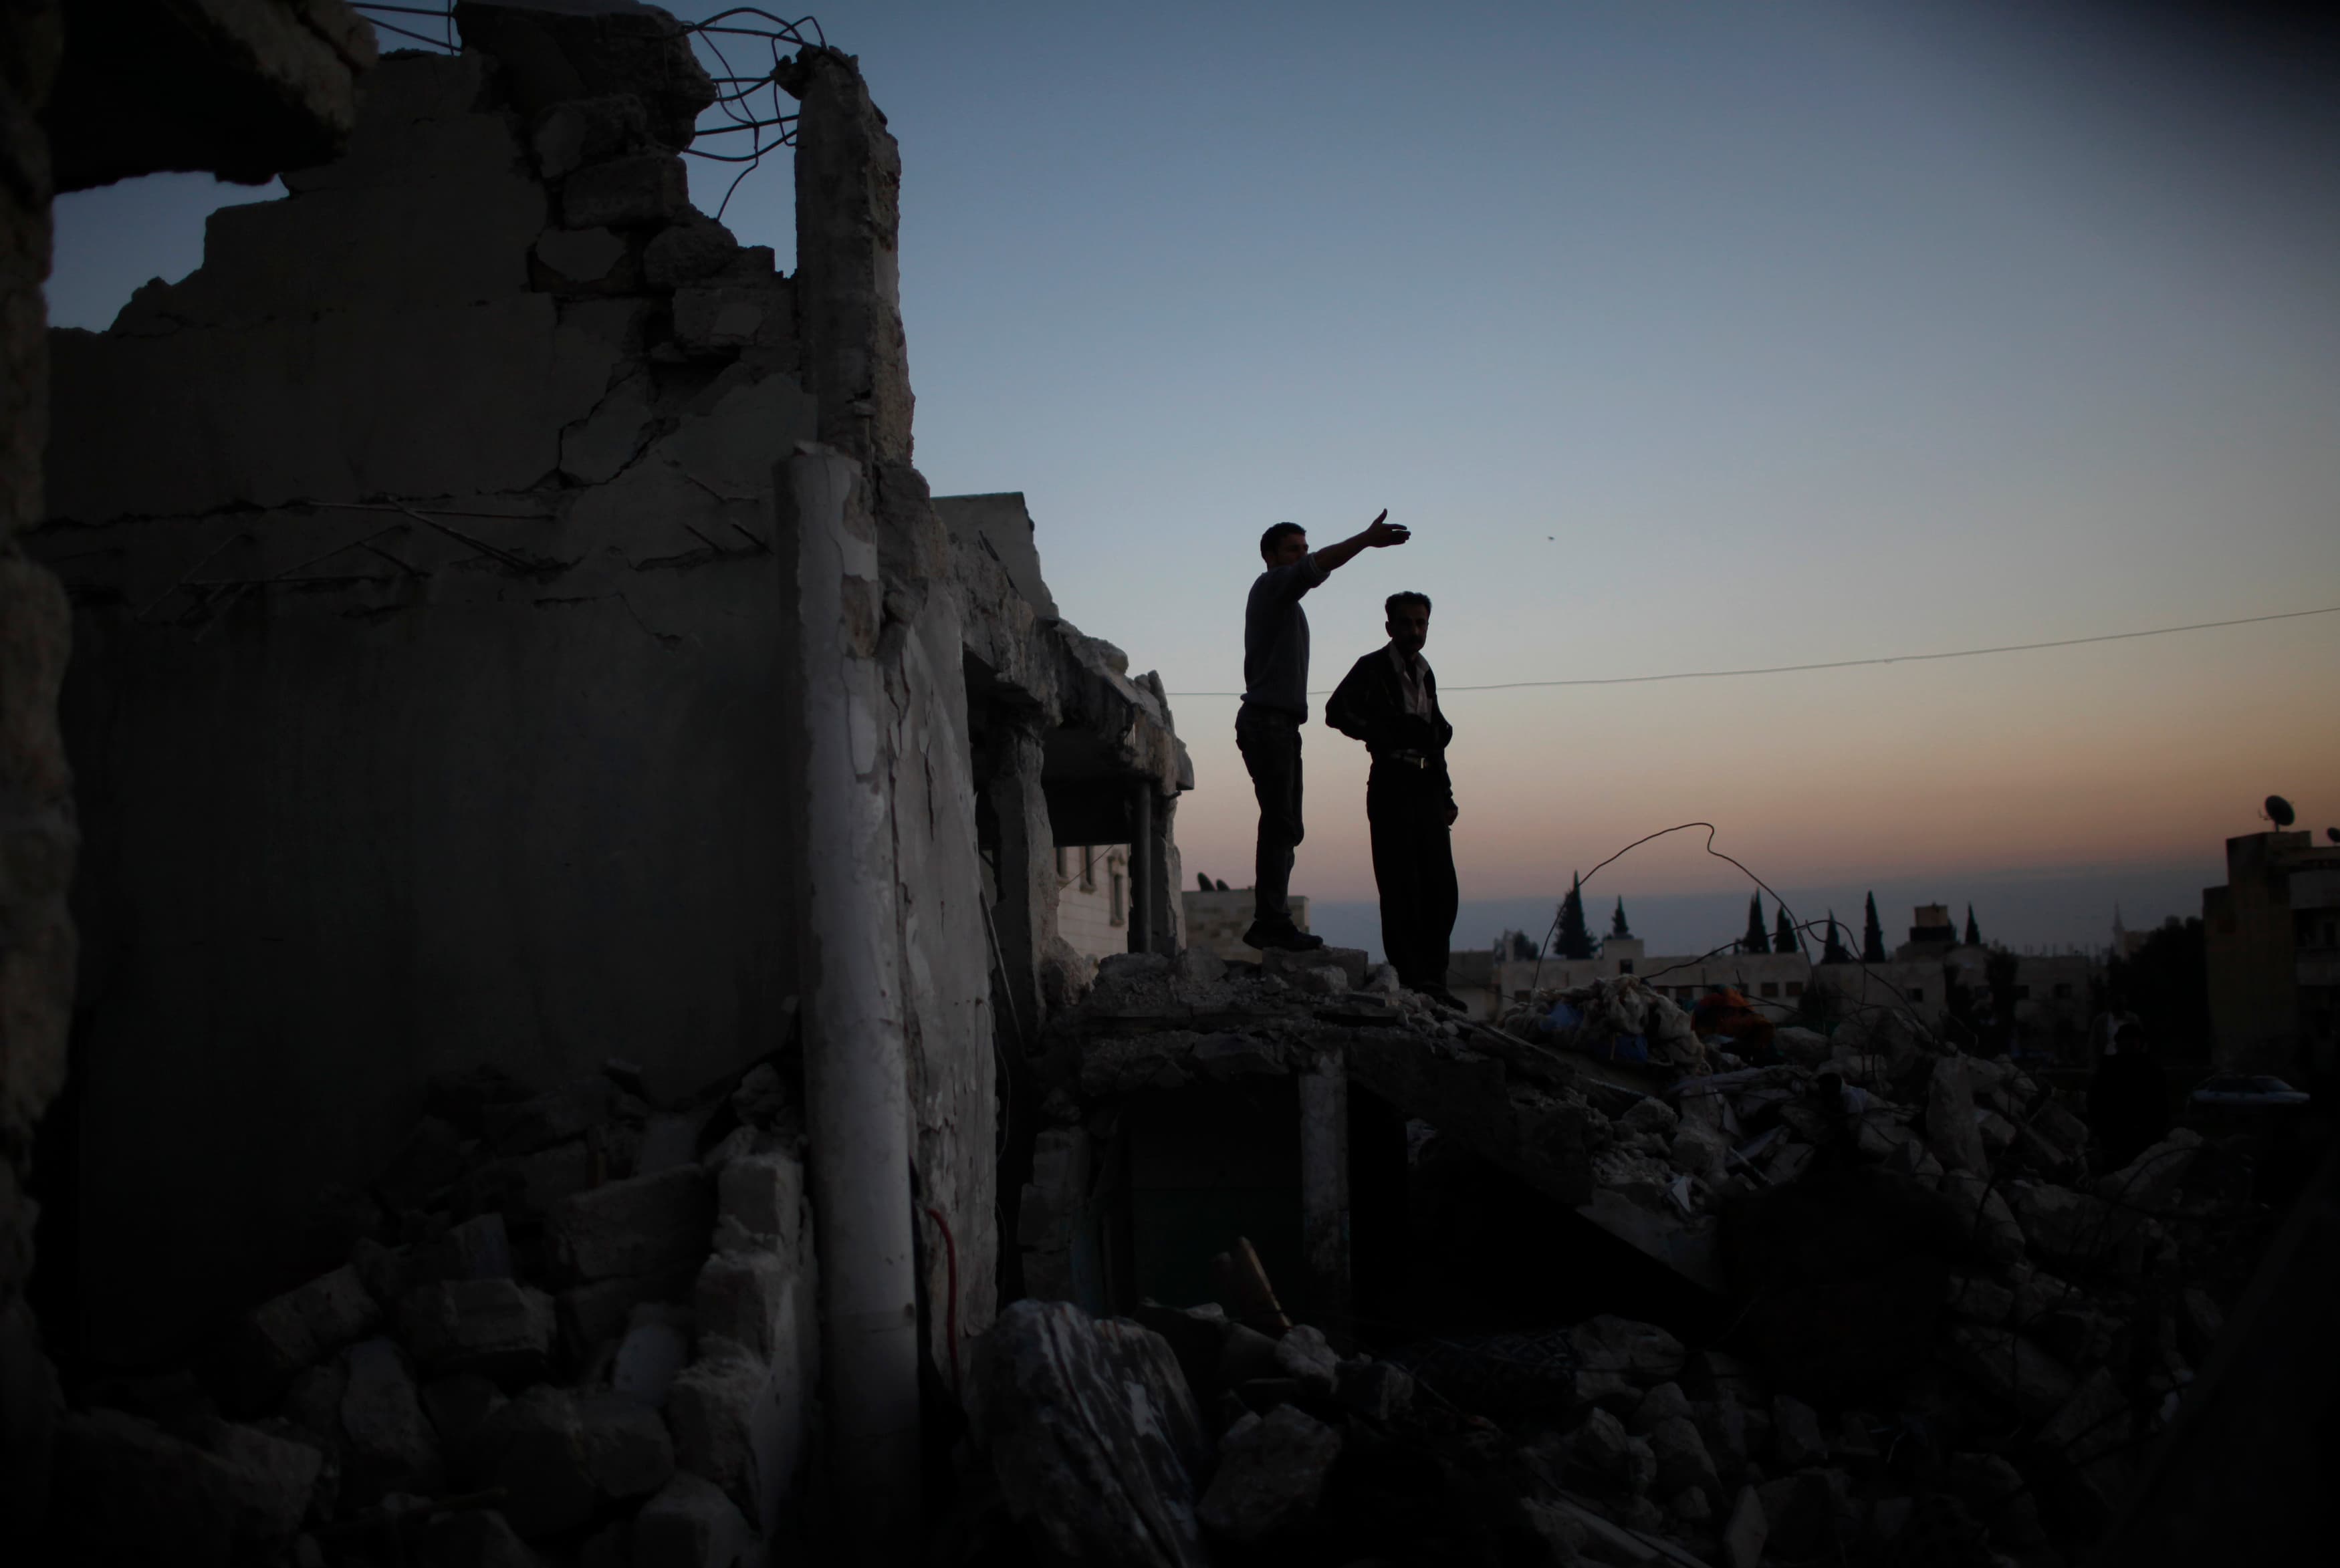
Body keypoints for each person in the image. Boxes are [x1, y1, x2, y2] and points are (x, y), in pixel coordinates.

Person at [1237, 511, 1411, 952]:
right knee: (1281, 824)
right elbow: (1317, 568)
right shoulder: (1272, 588)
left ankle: (1271, 920)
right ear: (1270, 557)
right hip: (1268, 723)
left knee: (1285, 825)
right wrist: (1365, 540)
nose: (1303, 556)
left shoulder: (1286, 603)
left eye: (1304, 548)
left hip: (1279, 725)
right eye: (1292, 550)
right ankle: (1271, 922)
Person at [1326, 591, 1462, 1008]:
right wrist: (1382, 732)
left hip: (1426, 786)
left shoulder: (1425, 673)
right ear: (1390, 627)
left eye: (1421, 623)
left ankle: (1435, 982)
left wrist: (1446, 793)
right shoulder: (1372, 668)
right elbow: (1336, 712)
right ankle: (1411, 981)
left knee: (1441, 888)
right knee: (1401, 885)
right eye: (1406, 622)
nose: (1414, 630)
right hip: (1392, 782)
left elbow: (1434, 738)